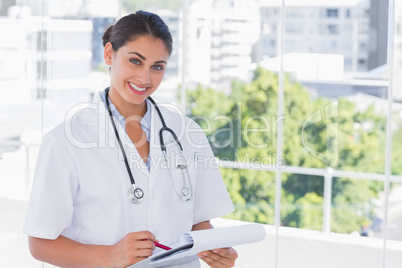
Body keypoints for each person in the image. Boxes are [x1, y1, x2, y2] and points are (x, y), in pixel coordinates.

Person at [23, 10, 237, 268]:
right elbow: (40, 242)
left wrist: (214, 249)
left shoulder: (186, 133)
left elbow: (198, 220)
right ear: (109, 54)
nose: (145, 78)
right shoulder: (65, 142)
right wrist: (107, 256)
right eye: (135, 61)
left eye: (157, 67)